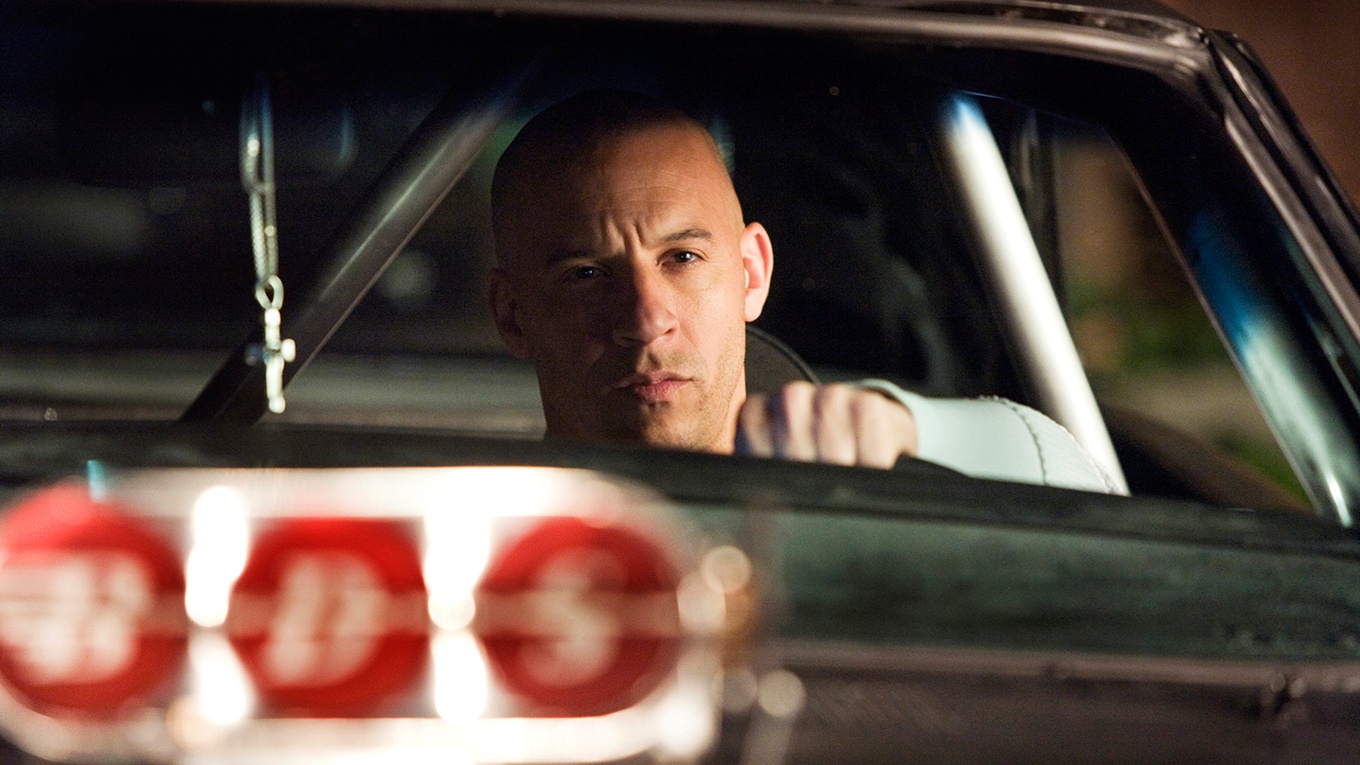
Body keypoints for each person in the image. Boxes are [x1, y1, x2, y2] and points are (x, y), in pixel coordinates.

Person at [488, 89, 1120, 494]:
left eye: (682, 258)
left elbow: (1082, 486)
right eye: (586, 275)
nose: (647, 318)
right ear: (512, 315)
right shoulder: (465, 544)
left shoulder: (866, 479)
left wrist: (907, 428)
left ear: (752, 274)